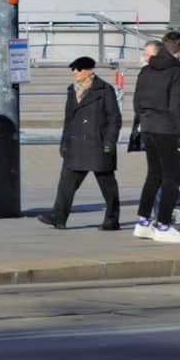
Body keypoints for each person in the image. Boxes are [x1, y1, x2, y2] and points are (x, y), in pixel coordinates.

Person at [44, 57, 123, 231]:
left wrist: (110, 141)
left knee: (107, 185)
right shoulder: (72, 90)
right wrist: (64, 142)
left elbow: (114, 118)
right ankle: (58, 217)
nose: (75, 72)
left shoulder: (104, 89)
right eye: (73, 69)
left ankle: (112, 219)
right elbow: (69, 120)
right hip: (76, 145)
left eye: (78, 69)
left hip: (98, 145)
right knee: (66, 183)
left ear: (89, 71)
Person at [128, 34, 180, 242]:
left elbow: (136, 101)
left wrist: (146, 120)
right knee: (172, 179)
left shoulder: (145, 71)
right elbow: (177, 107)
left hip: (148, 127)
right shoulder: (177, 74)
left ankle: (143, 222)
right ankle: (163, 225)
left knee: (153, 175)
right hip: (169, 130)